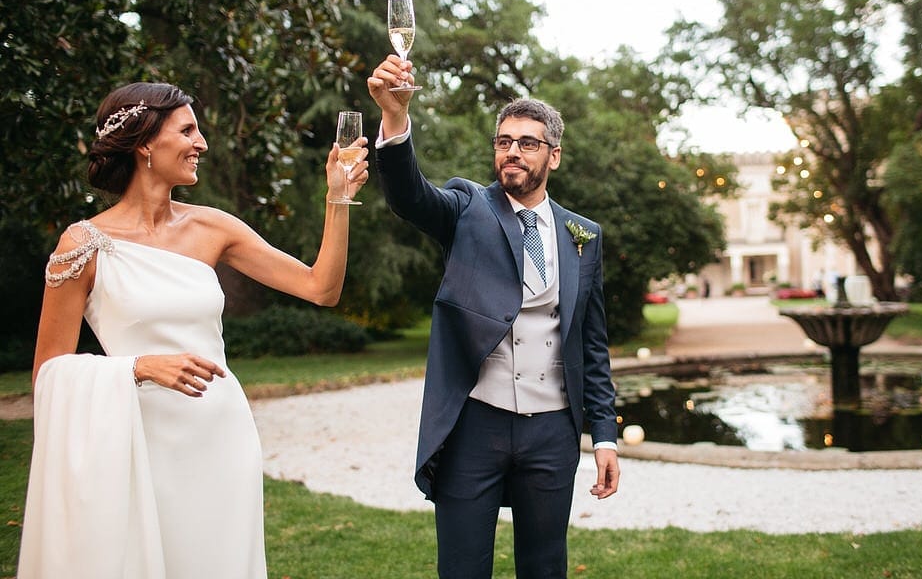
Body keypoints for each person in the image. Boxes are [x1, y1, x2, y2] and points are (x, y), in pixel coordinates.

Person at [18, 82, 368, 579]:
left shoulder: (214, 228)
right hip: (138, 443)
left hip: (219, 437)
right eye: (187, 130)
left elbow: (321, 288)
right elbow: (47, 374)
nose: (202, 143)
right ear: (144, 145)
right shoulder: (83, 245)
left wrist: (337, 199)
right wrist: (137, 367)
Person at [367, 55, 620, 579]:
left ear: (554, 156)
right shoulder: (467, 208)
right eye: (504, 141)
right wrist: (395, 120)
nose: (512, 152)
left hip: (552, 429)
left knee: (545, 566)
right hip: (474, 425)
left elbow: (591, 345)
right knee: (461, 568)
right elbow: (411, 197)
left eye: (527, 143)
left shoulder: (583, 236)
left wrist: (605, 436)